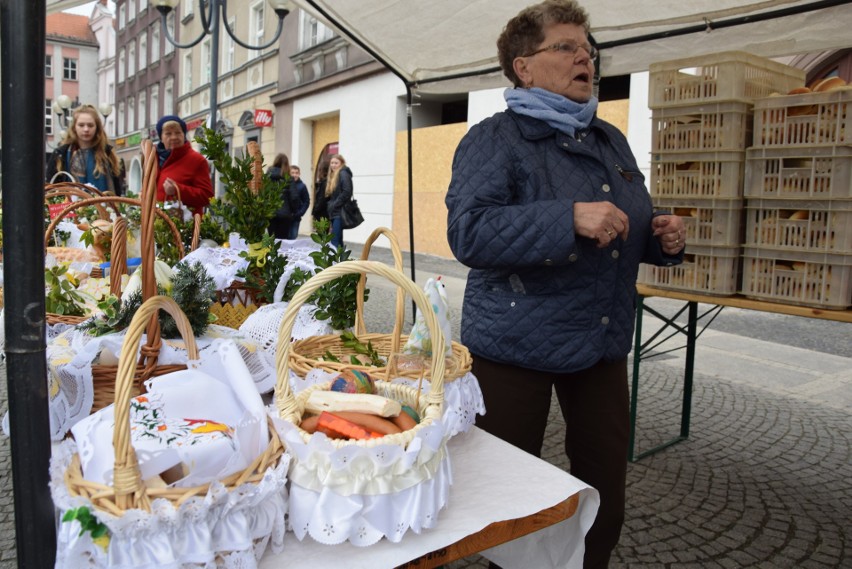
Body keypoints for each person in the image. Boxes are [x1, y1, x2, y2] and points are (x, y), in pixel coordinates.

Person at [444, 2, 686, 567]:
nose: (585, 57)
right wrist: (567, 218)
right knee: (506, 495)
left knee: (606, 491)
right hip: (513, 346)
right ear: (523, 67)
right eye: (566, 47)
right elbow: (468, 232)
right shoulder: (494, 139)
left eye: (588, 49)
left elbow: (623, 221)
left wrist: (660, 237)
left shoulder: (609, 139)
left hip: (600, 342)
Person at [46, 104, 122, 193]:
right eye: (81, 125)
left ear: (97, 127)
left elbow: (116, 189)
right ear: (74, 127)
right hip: (69, 205)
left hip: (103, 205)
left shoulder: (107, 154)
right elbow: (50, 189)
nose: (86, 129)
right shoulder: (60, 154)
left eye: (90, 125)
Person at [155, 115, 213, 216]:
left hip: (185, 227)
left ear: (183, 135)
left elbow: (207, 197)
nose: (173, 137)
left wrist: (178, 190)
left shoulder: (197, 160)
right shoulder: (154, 159)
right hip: (156, 225)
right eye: (168, 133)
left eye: (178, 132)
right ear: (161, 137)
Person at [324, 154, 353, 247]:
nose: (333, 165)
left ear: (341, 163)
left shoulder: (343, 173)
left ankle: (336, 261)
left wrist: (335, 204)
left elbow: (347, 192)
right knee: (338, 241)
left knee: (334, 241)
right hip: (336, 211)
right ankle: (342, 260)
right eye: (332, 163)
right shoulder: (335, 175)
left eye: (336, 163)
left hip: (339, 212)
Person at [267, 153, 292, 239]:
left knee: (271, 241)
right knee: (282, 242)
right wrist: (293, 211)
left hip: (270, 212)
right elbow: (294, 197)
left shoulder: (268, 176)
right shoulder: (288, 178)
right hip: (285, 214)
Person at [287, 164, 311, 239]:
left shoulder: (302, 186)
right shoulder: (285, 184)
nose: (294, 175)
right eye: (292, 173)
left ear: (299, 174)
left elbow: (306, 201)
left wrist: (300, 213)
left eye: (296, 173)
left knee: (293, 238)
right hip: (285, 217)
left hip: (296, 218)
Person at [311, 157, 331, 223]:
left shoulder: (324, 183)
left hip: (321, 213)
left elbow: (321, 199)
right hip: (325, 212)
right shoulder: (328, 181)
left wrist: (315, 211)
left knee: (321, 232)